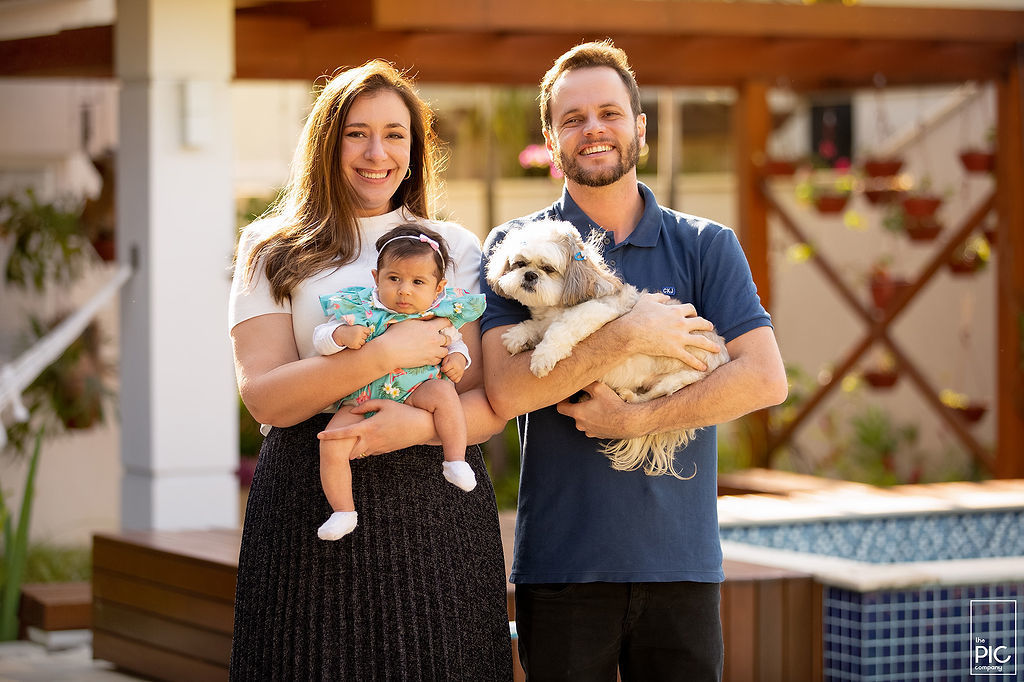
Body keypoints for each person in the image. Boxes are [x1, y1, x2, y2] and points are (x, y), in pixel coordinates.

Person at [479, 41, 788, 681]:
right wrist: (628, 333)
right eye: (573, 118)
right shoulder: (516, 247)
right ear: (552, 139)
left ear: (639, 128)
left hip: (681, 564)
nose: (593, 129)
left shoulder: (706, 245)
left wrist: (636, 422)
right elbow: (506, 391)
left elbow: (763, 379)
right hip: (562, 566)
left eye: (610, 113)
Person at [229, 60, 512, 680]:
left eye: (394, 134)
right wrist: (384, 354)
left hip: (436, 504)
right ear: (327, 143)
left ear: (414, 149)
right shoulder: (273, 246)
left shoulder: (457, 248)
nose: (376, 153)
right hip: (310, 497)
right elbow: (267, 400)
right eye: (356, 133)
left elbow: (485, 403)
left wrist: (412, 427)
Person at [314, 224, 485, 540]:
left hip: (417, 388)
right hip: (361, 395)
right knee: (332, 442)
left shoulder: (436, 316)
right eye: (394, 279)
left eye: (418, 282)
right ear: (376, 278)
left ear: (438, 288)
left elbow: (456, 343)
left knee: (445, 393)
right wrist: (340, 335)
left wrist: (459, 359)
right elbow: (320, 339)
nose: (404, 290)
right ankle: (343, 511)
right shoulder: (360, 309)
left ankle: (455, 459)